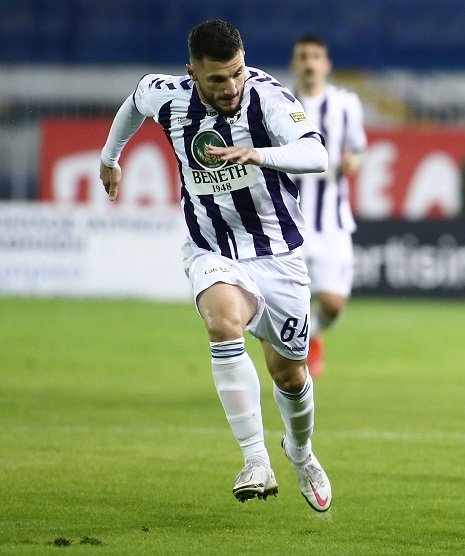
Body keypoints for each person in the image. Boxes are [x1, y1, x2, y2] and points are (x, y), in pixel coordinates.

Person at [98, 19, 333, 512]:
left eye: (236, 73)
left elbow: (316, 155)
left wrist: (258, 154)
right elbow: (135, 100)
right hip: (211, 248)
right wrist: (110, 156)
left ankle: (301, 453)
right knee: (222, 321)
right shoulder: (169, 97)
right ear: (192, 74)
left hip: (278, 254)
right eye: (217, 79)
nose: (230, 87)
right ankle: (255, 460)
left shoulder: (267, 96)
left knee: (289, 376)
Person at [289, 34, 368, 378]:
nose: (310, 63)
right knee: (288, 304)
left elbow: (359, 149)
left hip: (332, 222)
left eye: (316, 56)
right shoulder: (279, 101)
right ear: (294, 63)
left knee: (333, 304)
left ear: (327, 64)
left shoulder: (345, 103)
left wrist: (353, 162)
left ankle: (313, 337)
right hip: (287, 221)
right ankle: (291, 358)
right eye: (303, 56)